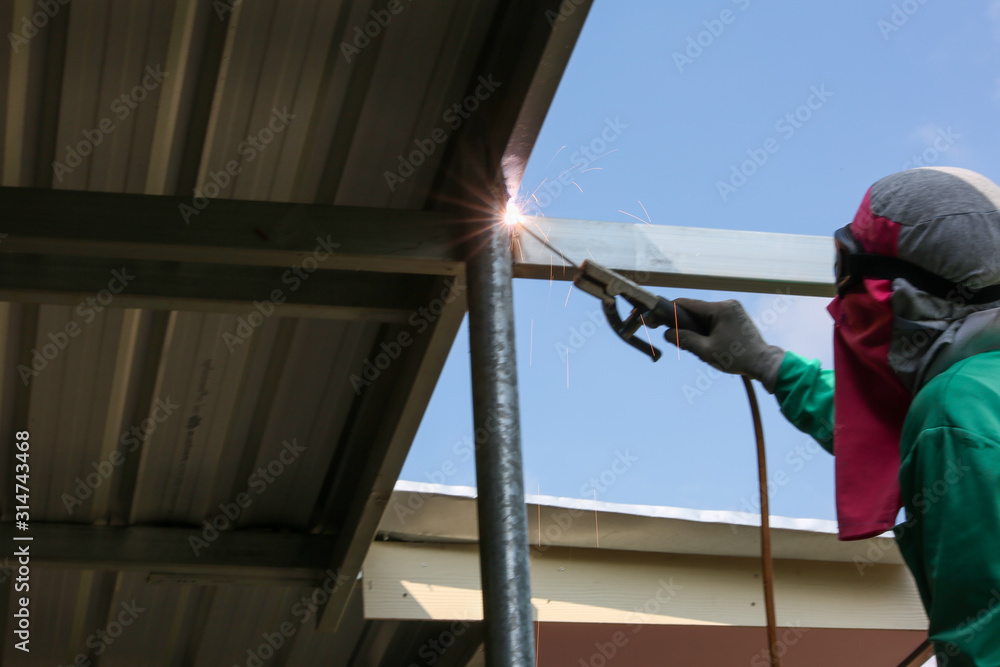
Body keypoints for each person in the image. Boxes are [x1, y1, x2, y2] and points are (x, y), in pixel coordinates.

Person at [668, 167, 1000, 665]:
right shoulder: (978, 387)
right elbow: (878, 432)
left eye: (846, 275)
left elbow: (987, 644)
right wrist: (767, 362)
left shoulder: (954, 409)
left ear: (901, 295)